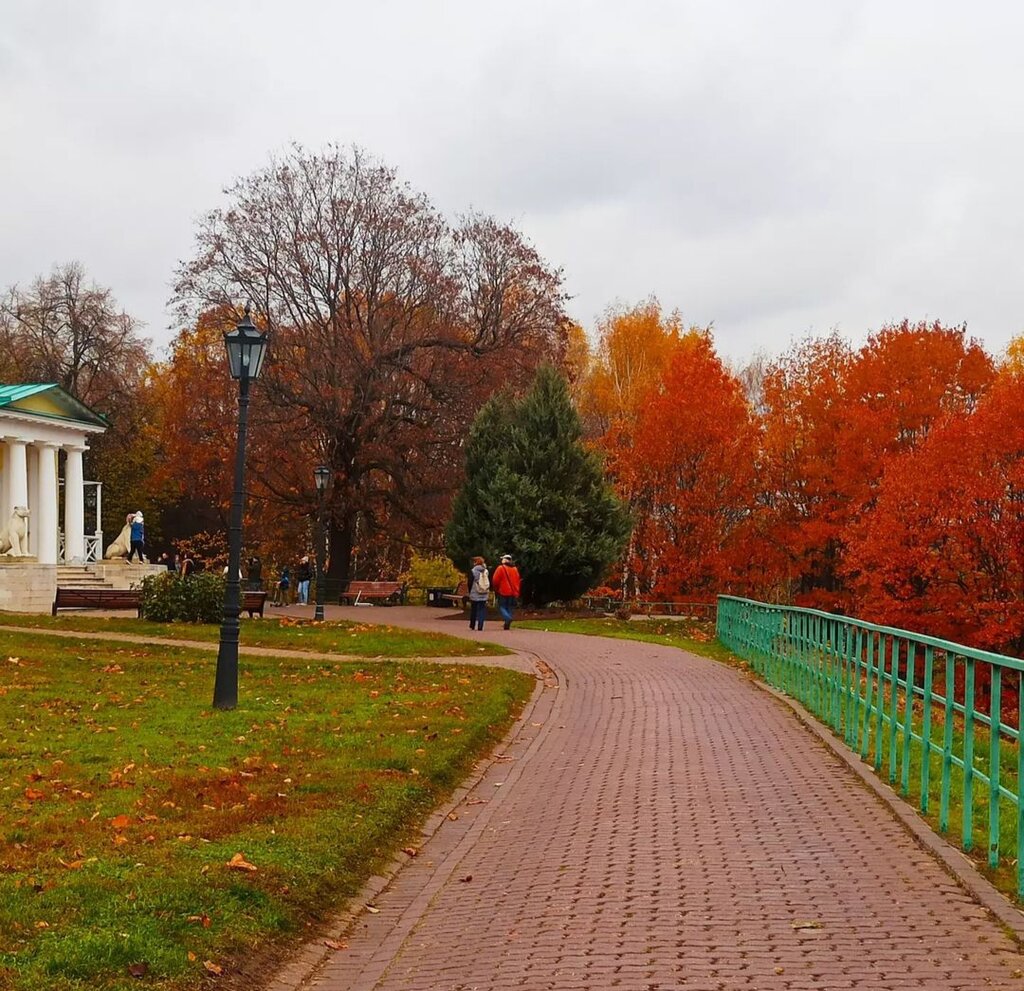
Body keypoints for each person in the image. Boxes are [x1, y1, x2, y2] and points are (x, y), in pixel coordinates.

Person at [492, 554, 522, 630]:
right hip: (513, 592)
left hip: (503, 591)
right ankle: (507, 624)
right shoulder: (515, 569)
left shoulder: (501, 568)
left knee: (501, 606)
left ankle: (508, 618)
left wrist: (496, 588)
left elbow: (495, 580)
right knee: (509, 607)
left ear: (505, 560)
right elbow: (518, 580)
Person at [467, 556, 489, 631]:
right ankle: (480, 625)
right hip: (484, 592)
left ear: (476, 562)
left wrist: (470, 591)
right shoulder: (485, 571)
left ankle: (472, 625)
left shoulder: (473, 571)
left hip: (475, 592)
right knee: (482, 609)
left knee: (474, 609)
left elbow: (469, 583)